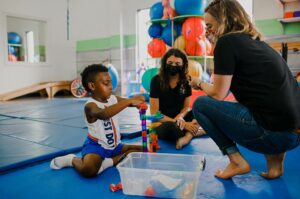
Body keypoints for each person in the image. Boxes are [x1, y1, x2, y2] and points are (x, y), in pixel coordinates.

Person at [191, 0, 300, 180]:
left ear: (223, 20)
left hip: (273, 135)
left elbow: (218, 94)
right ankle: (275, 167)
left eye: (209, 26)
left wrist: (199, 82)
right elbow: (262, 94)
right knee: (263, 108)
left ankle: (236, 160)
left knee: (201, 105)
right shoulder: (258, 44)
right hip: (294, 136)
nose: (206, 32)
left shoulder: (226, 42)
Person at [50, 64, 144, 178]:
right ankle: (72, 160)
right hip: (96, 147)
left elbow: (133, 101)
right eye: (106, 83)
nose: (111, 86)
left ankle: (108, 162)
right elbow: (103, 114)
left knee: (144, 150)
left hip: (115, 146)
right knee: (89, 169)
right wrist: (129, 102)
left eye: (110, 82)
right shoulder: (90, 106)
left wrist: (139, 100)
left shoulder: (112, 99)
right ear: (92, 86)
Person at [150, 48, 206, 150]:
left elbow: (186, 107)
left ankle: (187, 137)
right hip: (164, 122)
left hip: (181, 119)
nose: (173, 66)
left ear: (183, 65)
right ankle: (197, 130)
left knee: (199, 111)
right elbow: (155, 113)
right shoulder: (156, 81)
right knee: (173, 129)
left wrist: (180, 117)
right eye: (170, 62)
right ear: (164, 63)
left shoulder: (186, 81)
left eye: (177, 63)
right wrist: (179, 123)